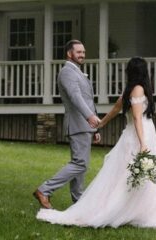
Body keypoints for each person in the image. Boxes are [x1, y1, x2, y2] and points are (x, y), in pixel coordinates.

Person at [36, 57, 156, 230]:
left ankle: (139, 211)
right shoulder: (137, 89)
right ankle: (127, 211)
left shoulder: (131, 89)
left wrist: (101, 124)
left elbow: (115, 109)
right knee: (131, 176)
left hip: (141, 133)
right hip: (140, 135)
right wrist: (143, 143)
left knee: (136, 176)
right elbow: (136, 117)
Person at [33, 40, 101, 209]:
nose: (82, 55)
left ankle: (79, 201)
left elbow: (88, 100)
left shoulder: (77, 72)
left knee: (81, 165)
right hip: (77, 124)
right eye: (79, 52)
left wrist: (95, 127)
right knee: (80, 164)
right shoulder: (67, 72)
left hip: (85, 125)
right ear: (69, 53)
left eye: (84, 52)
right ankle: (44, 190)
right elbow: (75, 97)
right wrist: (90, 117)